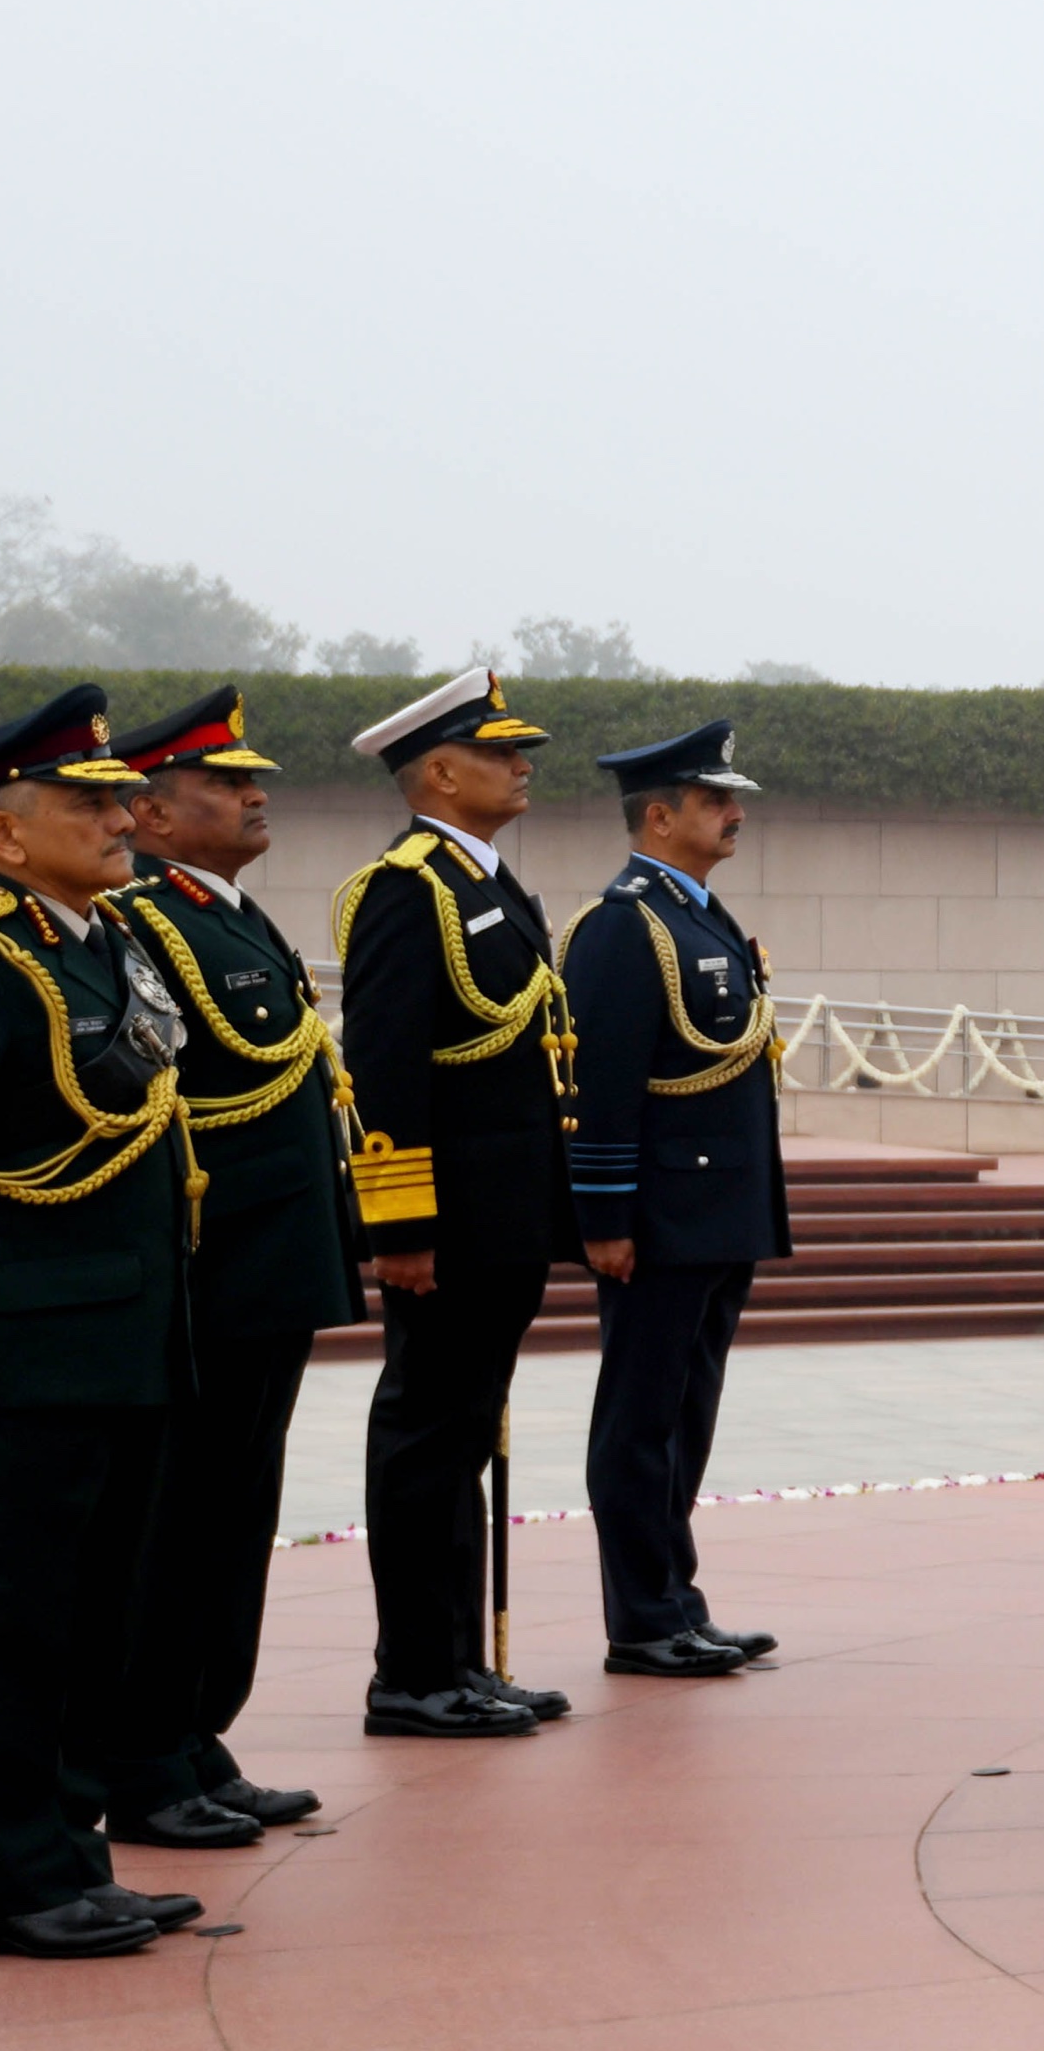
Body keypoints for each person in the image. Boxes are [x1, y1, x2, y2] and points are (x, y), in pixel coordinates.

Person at [0, 687, 208, 1957]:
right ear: (5, 835)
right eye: (91, 801)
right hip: (26, 1347)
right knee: (13, 1624)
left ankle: (75, 1856)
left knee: (92, 1618)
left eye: (122, 798)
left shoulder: (102, 942)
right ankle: (10, 1884)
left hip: (123, 1335)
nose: (125, 817)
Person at [92, 687, 358, 1851]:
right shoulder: (148, 924)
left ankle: (201, 1733)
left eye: (256, 780)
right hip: (211, 1272)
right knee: (180, 1521)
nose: (255, 795)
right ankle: (146, 1759)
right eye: (225, 782)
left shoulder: (238, 919)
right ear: (147, 813)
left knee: (236, 1513)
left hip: (275, 1268)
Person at [338, 669, 577, 1741]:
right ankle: (410, 1674)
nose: (522, 764)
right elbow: (385, 1068)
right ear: (439, 771)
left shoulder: (489, 883)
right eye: (499, 751)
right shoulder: (407, 889)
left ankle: (458, 1661)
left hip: (505, 1214)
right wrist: (400, 1228)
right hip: (448, 1226)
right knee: (427, 1438)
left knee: (464, 1437)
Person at [562, 721, 788, 1680]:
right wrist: (605, 1218)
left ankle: (675, 1601)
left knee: (684, 1417)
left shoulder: (699, 916)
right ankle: (642, 1618)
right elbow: (601, 1085)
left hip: (714, 1217)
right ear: (658, 816)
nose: (734, 814)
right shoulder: (626, 925)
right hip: (658, 1217)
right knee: (641, 1420)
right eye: (713, 800)